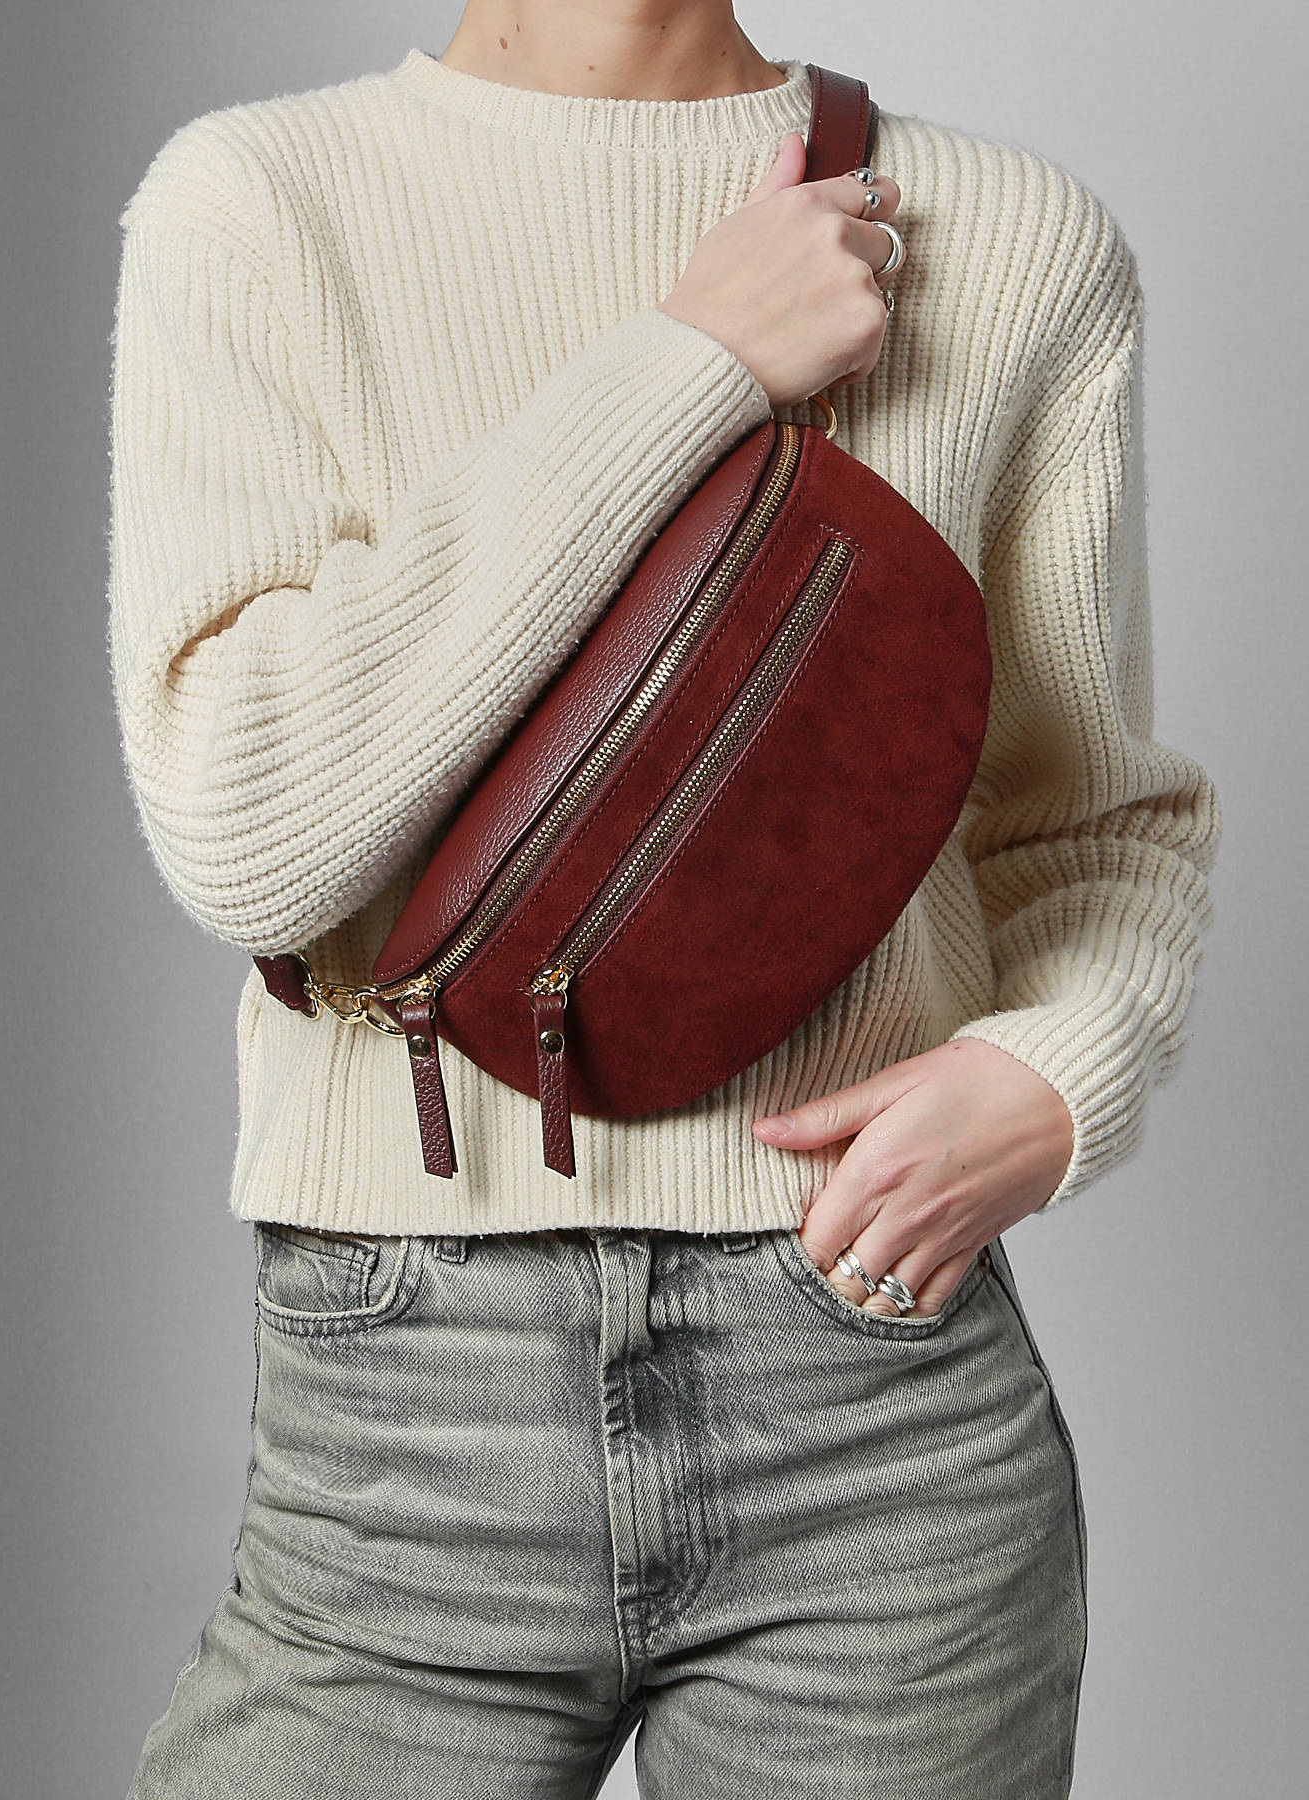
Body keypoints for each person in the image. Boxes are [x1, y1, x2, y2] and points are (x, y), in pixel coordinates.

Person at [109, 2, 1221, 1794]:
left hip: (870, 1379)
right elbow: (253, 834)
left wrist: (1060, 1065)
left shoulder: (1011, 239)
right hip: (405, 1401)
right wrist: (687, 361)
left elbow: (1084, 822)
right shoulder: (259, 203)